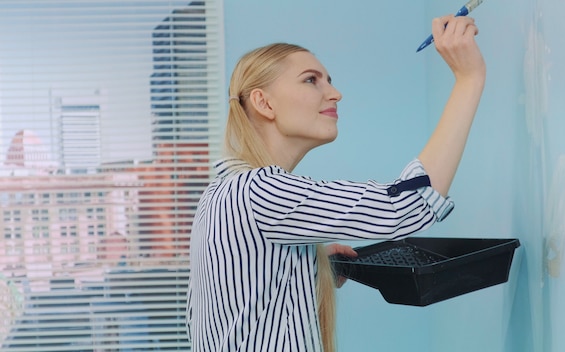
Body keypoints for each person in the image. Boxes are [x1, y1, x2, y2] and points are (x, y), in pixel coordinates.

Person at [186, 14, 486, 352]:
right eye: (311, 80)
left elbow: (232, 304)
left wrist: (305, 265)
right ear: (264, 102)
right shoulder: (261, 192)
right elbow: (407, 205)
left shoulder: (221, 192)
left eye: (329, 80)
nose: (336, 93)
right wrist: (469, 79)